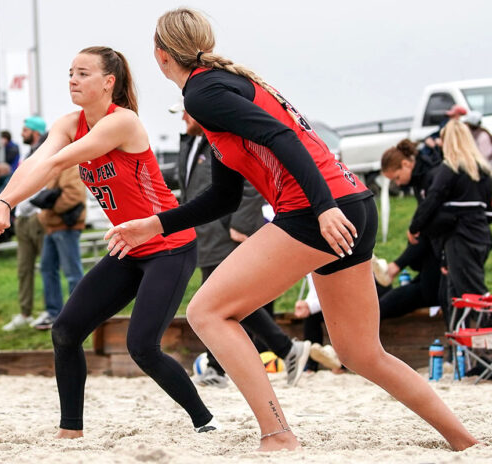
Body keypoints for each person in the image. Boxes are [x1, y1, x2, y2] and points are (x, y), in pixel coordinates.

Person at [104, 8, 478, 451]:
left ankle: (278, 435)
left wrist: (321, 207)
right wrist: (156, 223)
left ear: (160, 55)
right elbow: (223, 198)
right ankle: (465, 440)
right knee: (360, 352)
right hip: (352, 205)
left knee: (208, 311)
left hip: (319, 211)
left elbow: (283, 137)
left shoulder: (203, 93)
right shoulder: (224, 87)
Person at [0, 46, 219, 437]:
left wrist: (7, 202)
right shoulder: (68, 122)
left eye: (83, 73)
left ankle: (204, 421)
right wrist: (3, 201)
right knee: (66, 331)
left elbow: (56, 164)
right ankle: (70, 430)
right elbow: (40, 161)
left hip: (169, 245)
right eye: (70, 72)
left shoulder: (121, 123)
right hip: (128, 247)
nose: (72, 79)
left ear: (109, 82)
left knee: (142, 347)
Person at [171, 103, 310, 387]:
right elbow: (187, 188)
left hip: (227, 234)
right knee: (226, 302)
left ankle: (218, 367)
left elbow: (250, 181)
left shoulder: (222, 137)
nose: (183, 117)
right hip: (207, 236)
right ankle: (284, 349)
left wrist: (239, 225)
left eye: (186, 112)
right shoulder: (190, 143)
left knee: (215, 301)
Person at [408, 119, 492, 330]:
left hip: (460, 239)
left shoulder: (450, 169)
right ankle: (466, 356)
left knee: (472, 297)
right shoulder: (483, 172)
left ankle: (479, 348)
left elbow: (432, 200)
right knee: (455, 295)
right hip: (480, 236)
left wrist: (415, 226)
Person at [379, 139, 443, 320]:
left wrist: (398, 264)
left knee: (425, 292)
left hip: (440, 251)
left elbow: (426, 228)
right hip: (431, 252)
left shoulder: (429, 177)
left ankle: (395, 269)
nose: (398, 184)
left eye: (397, 178)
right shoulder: (419, 180)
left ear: (406, 164)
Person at [3, 117, 48, 331]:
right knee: (24, 269)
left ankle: (51, 310)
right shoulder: (27, 154)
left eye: (25, 130)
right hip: (22, 217)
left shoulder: (46, 151)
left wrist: (34, 210)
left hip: (36, 217)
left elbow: (43, 183)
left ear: (35, 132)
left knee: (47, 267)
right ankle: (25, 312)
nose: (21, 133)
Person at [29, 165, 86, 331]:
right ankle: (54, 313)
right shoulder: (58, 168)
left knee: (72, 272)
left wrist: (48, 211)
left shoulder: (71, 167)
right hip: (53, 227)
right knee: (47, 269)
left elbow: (74, 195)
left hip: (66, 227)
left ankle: (79, 314)